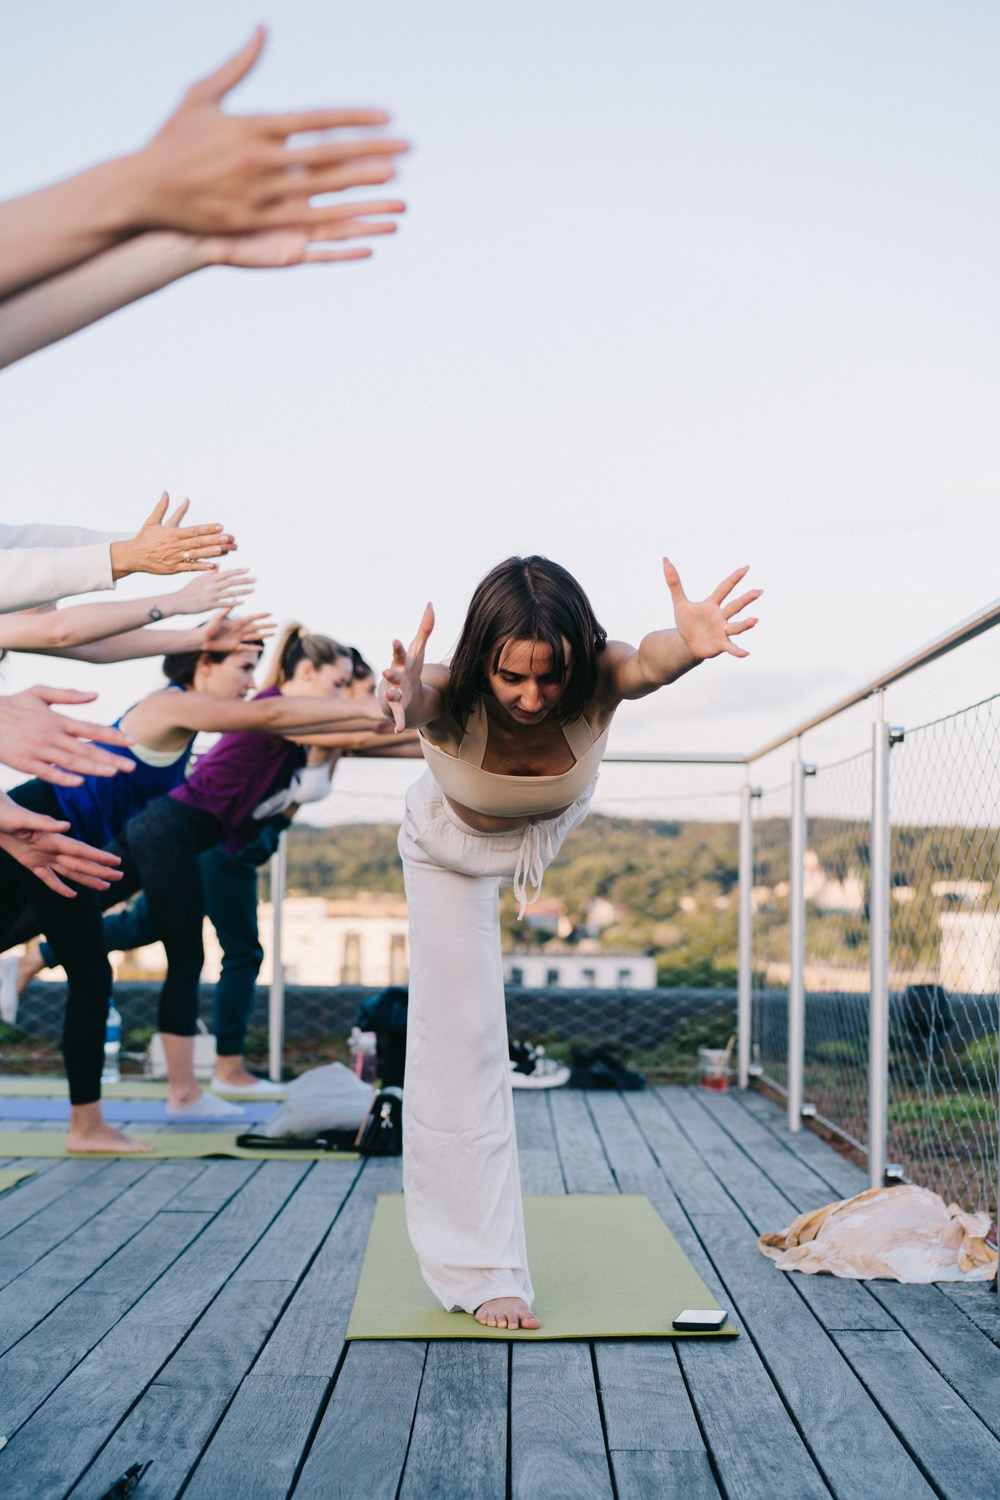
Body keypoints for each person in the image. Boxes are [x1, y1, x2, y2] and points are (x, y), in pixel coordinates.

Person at [380, 554, 761, 1329]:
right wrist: (401, 693)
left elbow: (650, 659)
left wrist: (688, 647)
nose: (529, 697)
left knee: (481, 1035)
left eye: (548, 678)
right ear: (482, 656)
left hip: (542, 831)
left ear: (576, 659)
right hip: (447, 845)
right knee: (466, 1042)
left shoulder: (599, 675)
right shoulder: (452, 691)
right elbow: (419, 699)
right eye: (511, 677)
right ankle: (482, 1268)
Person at [0, 629, 383, 1150]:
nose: (251, 682)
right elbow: (271, 716)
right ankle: (97, 1122)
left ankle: (92, 1118)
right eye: (243, 669)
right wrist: (376, 704)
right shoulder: (168, 707)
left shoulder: (186, 717)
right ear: (203, 664)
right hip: (40, 821)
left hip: (65, 837)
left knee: (93, 962)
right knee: (99, 971)